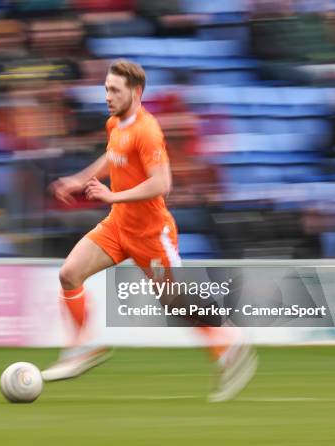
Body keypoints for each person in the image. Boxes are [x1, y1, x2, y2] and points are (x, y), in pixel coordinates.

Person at [45, 59, 257, 402]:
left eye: (115, 90)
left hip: (150, 234)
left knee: (176, 303)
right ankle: (84, 349)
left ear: (136, 92)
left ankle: (229, 342)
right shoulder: (115, 123)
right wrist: (80, 179)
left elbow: (162, 183)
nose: (108, 96)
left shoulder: (148, 131)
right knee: (69, 274)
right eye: (106, 90)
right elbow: (112, 156)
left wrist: (112, 194)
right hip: (118, 226)